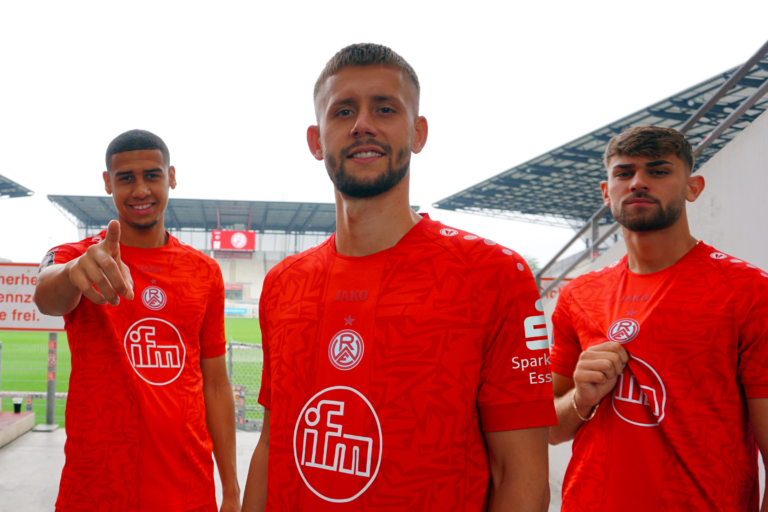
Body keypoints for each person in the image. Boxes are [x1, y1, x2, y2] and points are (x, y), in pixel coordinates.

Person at [242, 43, 556, 512]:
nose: (362, 124)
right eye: (343, 110)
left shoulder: (493, 275)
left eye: (384, 108)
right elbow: (272, 444)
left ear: (418, 132)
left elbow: (520, 475)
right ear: (316, 140)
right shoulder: (284, 281)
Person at [548, 126, 768, 511]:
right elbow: (549, 427)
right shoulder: (578, 295)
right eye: (624, 173)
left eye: (659, 171)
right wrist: (581, 399)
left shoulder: (748, 290)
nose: (638, 183)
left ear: (693, 187)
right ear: (606, 191)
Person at [34, 130, 240, 512]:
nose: (140, 189)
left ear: (171, 177)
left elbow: (214, 385)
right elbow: (46, 294)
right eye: (126, 178)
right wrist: (72, 273)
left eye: (152, 175)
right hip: (97, 486)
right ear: (108, 183)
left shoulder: (205, 271)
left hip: (186, 485)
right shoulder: (78, 256)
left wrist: (230, 488)